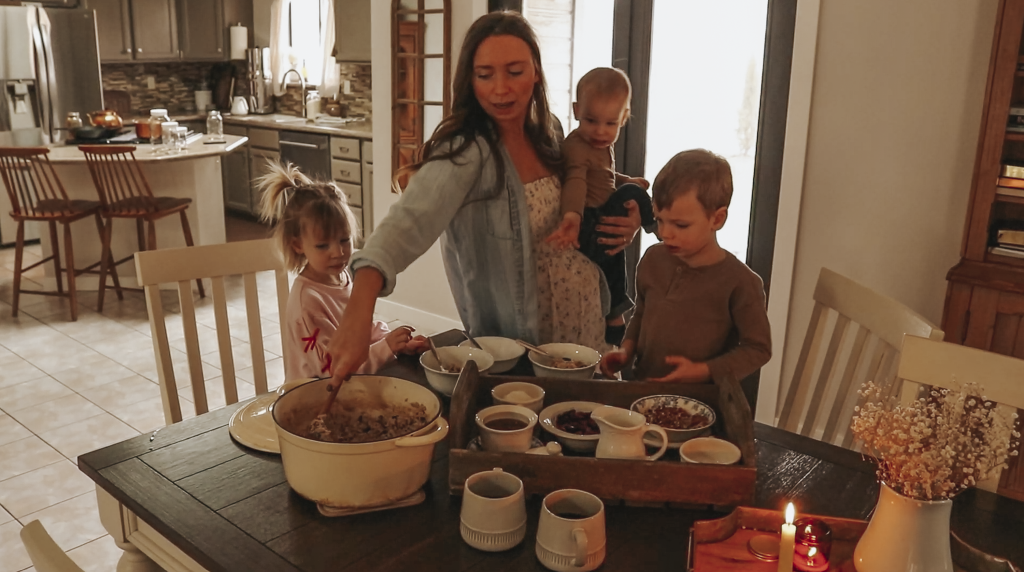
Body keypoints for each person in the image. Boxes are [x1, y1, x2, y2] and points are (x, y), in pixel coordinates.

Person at [326, 11, 642, 383]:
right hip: (521, 351)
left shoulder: (552, 132)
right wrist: (358, 313)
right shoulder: (466, 153)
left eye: (515, 71)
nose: (501, 88)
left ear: (536, 72)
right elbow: (405, 225)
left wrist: (628, 216)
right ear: (470, 80)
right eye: (485, 74)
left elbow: (590, 188)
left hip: (586, 327)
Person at [599, 149, 771, 383]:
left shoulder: (741, 283)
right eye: (659, 219)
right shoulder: (652, 260)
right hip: (643, 393)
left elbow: (758, 348)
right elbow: (641, 314)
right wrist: (626, 350)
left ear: (717, 219)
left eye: (680, 225)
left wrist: (703, 371)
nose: (665, 233)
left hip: (700, 406)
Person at [257, 162, 428, 381]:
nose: (338, 252)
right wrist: (386, 348)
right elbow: (331, 369)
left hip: (350, 389)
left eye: (344, 240)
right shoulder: (306, 303)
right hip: (314, 399)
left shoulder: (342, 276)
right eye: (322, 246)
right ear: (298, 245)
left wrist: (394, 341)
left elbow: (359, 329)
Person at [545, 67, 656, 345]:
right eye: (591, 120)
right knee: (632, 196)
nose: (600, 131)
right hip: (588, 220)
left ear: (623, 119)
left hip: (599, 212)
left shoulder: (600, 144)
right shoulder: (578, 146)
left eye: (610, 124)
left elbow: (602, 177)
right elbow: (576, 181)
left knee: (614, 257)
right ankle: (658, 224)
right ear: (576, 110)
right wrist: (573, 216)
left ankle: (615, 314)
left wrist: (623, 179)